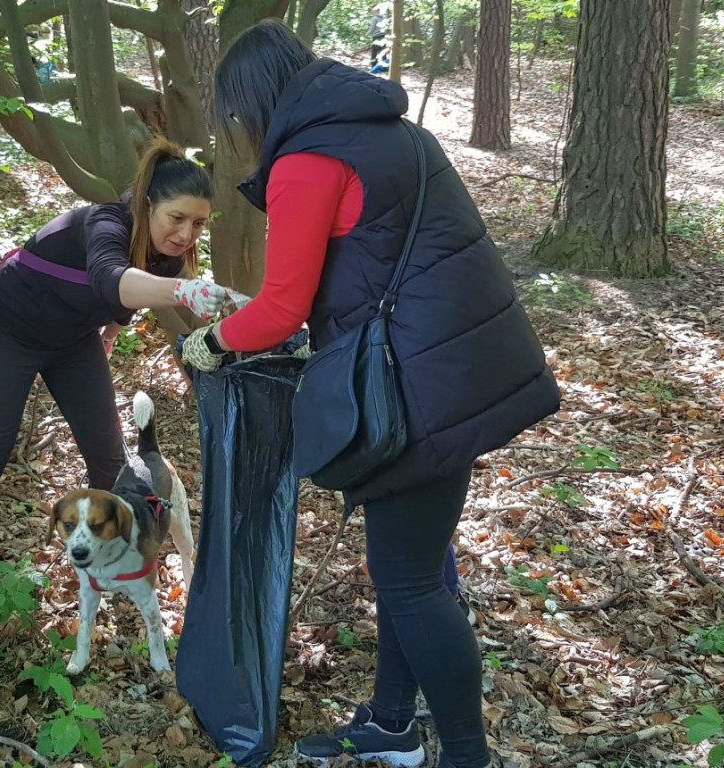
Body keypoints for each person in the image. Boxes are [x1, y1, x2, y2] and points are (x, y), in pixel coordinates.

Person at [181, 20, 559, 768]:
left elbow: (281, 306)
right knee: (408, 570)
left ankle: (465, 755)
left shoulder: (307, 160)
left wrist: (214, 341)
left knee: (412, 582)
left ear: (248, 105)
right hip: (453, 371)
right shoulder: (394, 133)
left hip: (417, 392)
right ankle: (392, 725)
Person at [0, 138, 229, 624]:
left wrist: (108, 332)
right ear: (148, 204)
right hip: (9, 328)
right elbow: (110, 277)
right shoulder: (104, 223)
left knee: (109, 459)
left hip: (72, 340)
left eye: (198, 223)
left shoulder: (170, 256)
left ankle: (114, 562)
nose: (187, 233)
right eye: (177, 218)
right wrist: (184, 290)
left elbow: (126, 298)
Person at [367, 5, 388, 69]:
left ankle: (373, 66)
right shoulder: (385, 17)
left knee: (374, 52)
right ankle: (385, 67)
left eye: (372, 10)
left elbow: (372, 28)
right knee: (383, 52)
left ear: (376, 10)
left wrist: (368, 33)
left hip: (376, 37)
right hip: (384, 36)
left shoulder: (374, 18)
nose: (371, 11)